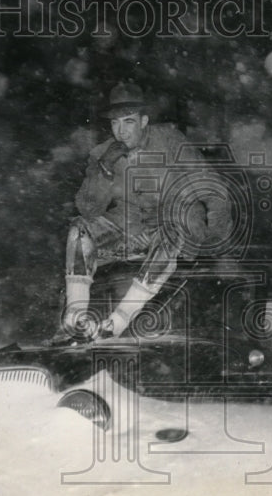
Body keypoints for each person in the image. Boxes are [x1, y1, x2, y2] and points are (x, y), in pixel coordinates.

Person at [60, 82, 231, 340]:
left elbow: (213, 187)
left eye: (128, 122)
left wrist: (215, 241)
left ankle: (115, 324)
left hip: (174, 227)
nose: (121, 132)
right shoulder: (103, 153)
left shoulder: (171, 142)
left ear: (144, 121)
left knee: (170, 233)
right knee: (79, 229)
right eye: (115, 124)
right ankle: (76, 321)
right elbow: (87, 208)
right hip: (131, 230)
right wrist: (105, 169)